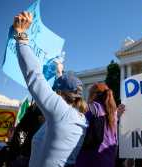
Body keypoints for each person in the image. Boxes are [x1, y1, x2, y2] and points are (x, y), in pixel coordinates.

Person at [13, 12, 88, 167]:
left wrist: (21, 35)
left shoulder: (61, 113)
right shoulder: (80, 118)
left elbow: (34, 75)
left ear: (59, 93)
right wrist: (59, 71)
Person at [75, 83, 118, 167]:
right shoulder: (114, 112)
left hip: (92, 158)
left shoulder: (92, 108)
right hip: (109, 158)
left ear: (93, 94)